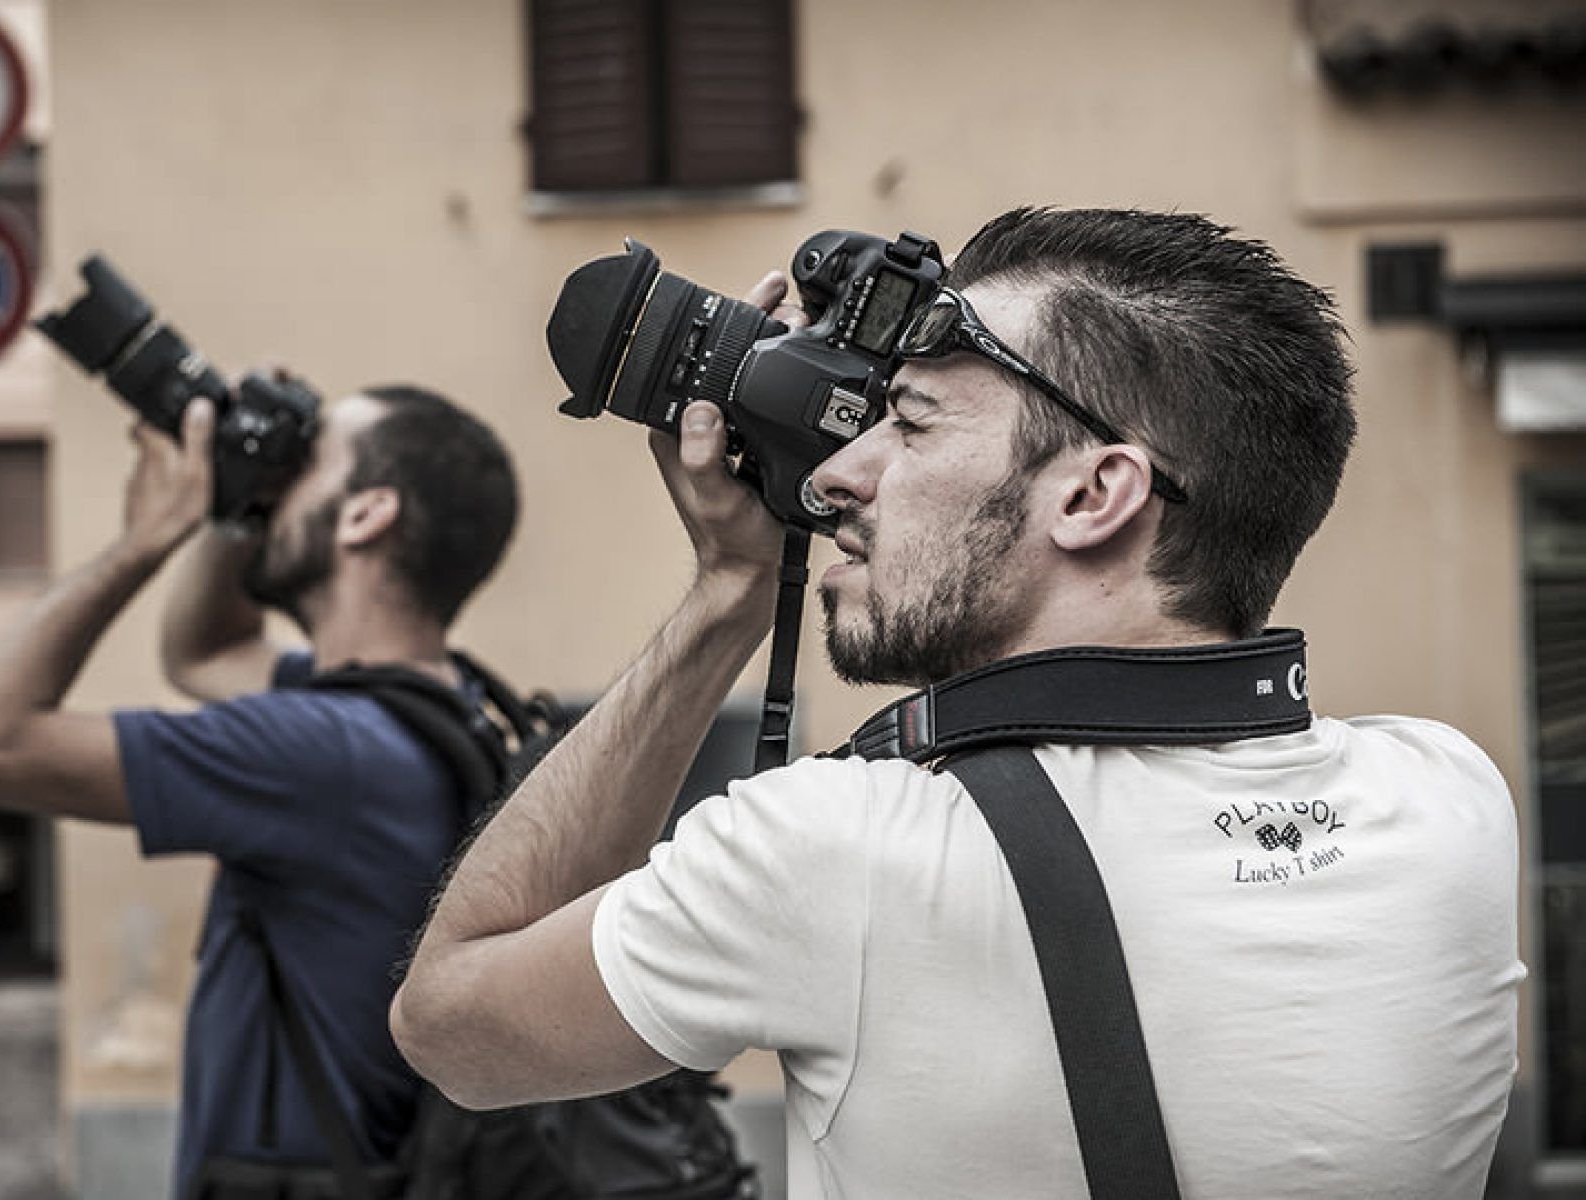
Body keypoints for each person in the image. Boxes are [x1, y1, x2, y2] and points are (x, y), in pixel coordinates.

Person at [391, 208, 1523, 1198]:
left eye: (913, 423)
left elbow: (450, 1024)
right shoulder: (1445, 802)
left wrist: (727, 594)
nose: (834, 472)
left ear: (1091, 494)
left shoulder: (837, 853)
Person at [0, 382, 519, 1199]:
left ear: (365, 513)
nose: (275, 488)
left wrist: (146, 539)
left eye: (302, 465)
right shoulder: (448, 705)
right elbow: (204, 653)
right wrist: (234, 510)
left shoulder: (319, 752)